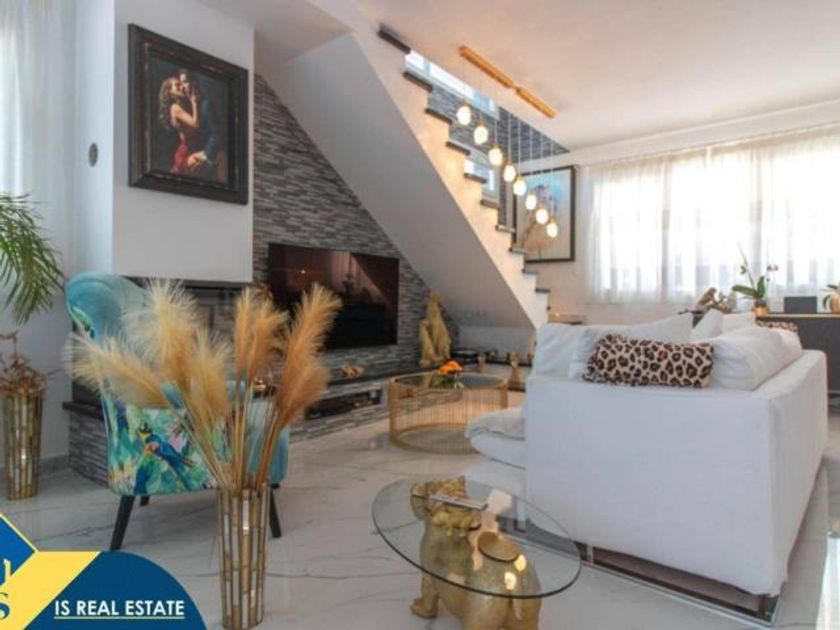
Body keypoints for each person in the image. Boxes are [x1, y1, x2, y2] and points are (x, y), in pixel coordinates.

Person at [178, 70, 226, 182]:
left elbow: (216, 134)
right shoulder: (185, 106)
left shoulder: (206, 104)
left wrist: (206, 156)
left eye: (185, 82)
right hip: (190, 154)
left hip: (206, 154)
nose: (182, 87)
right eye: (180, 83)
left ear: (194, 82)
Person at [157, 76, 199, 175]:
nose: (181, 87)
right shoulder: (175, 108)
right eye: (177, 85)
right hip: (185, 154)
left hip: (190, 150)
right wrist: (194, 102)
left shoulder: (181, 106)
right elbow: (196, 124)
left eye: (181, 84)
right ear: (170, 92)